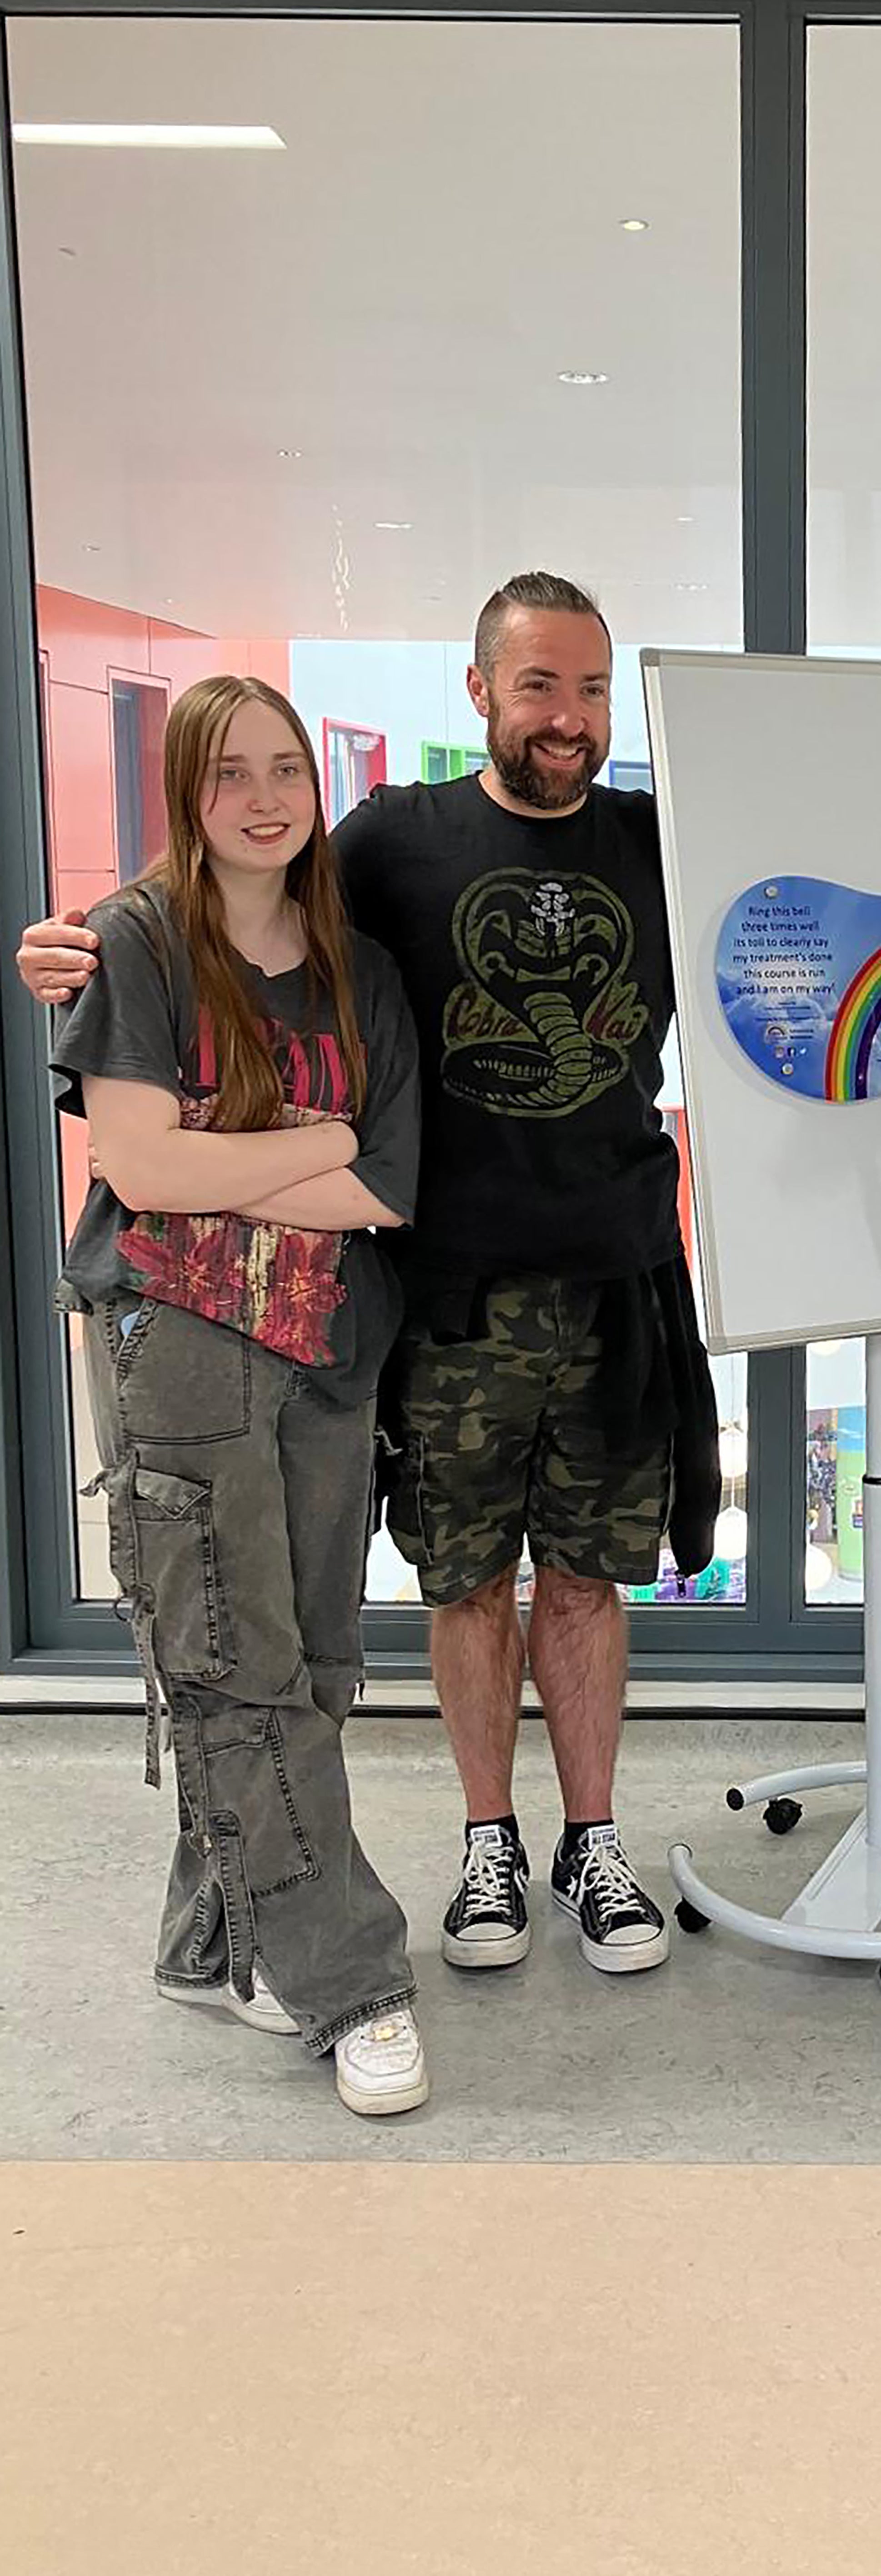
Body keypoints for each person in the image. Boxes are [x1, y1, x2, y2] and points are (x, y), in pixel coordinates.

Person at [23, 574, 715, 1985]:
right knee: (462, 1585)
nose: (567, 717)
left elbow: (796, 912)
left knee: (586, 1581)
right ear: (479, 694)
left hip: (616, 1276)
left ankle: (591, 1838)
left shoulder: (661, 838)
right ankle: (486, 1841)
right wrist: (80, 947)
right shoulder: (395, 839)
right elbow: (235, 891)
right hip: (442, 1291)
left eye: (590, 688)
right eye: (538, 687)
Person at [49, 676, 427, 2117]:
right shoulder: (136, 944)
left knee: (313, 1656)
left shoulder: (357, 969)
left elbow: (384, 1188)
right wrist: (310, 1137)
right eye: (229, 776)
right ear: (186, 795)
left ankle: (216, 1937)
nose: (265, 798)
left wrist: (234, 1142)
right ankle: (348, 1977)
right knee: (232, 1656)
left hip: (333, 1341)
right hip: (182, 1343)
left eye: (287, 768)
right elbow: (140, 1170)